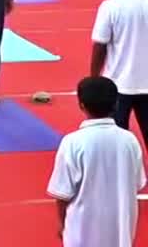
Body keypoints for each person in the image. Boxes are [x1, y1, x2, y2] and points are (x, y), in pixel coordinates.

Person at [48, 76, 145, 247]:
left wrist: (63, 223)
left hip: (82, 230)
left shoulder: (72, 142)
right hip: (120, 229)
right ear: (115, 104)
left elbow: (62, 192)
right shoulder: (130, 140)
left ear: (81, 105)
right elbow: (137, 183)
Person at [90, 0, 148, 146]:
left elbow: (100, 45)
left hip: (118, 84)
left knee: (116, 142)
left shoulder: (110, 7)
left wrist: (94, 78)